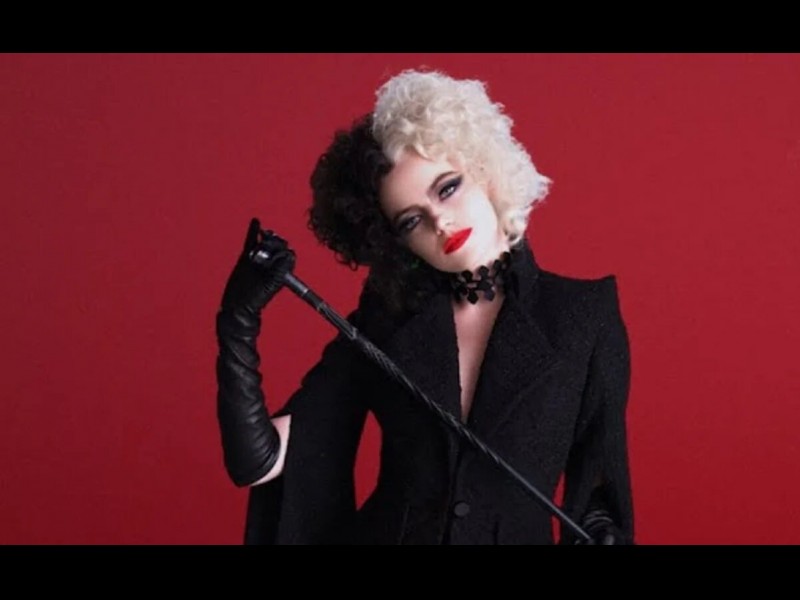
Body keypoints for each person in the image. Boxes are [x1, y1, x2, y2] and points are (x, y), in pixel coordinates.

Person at [215, 69, 634, 545]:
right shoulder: (386, 321)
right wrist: (238, 321)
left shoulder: (584, 318)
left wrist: (601, 534)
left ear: (484, 167)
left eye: (447, 187)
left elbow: (600, 492)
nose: (440, 221)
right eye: (411, 220)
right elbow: (259, 460)